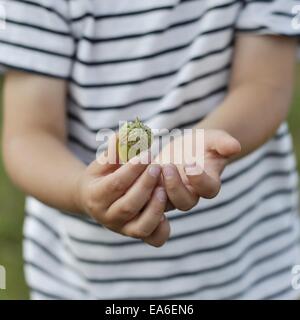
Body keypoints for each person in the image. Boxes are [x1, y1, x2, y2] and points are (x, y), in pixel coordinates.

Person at [0, 0, 300, 299]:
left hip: (252, 267)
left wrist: (199, 144)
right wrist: (81, 190)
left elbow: (265, 85)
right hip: (87, 280)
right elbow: (30, 135)